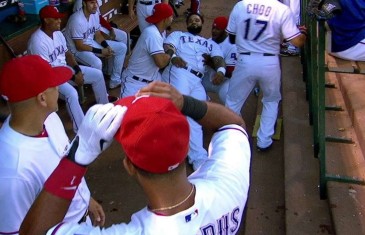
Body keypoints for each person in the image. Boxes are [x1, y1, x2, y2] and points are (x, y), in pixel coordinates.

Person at [19, 81, 250, 235]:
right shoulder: (228, 180)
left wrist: (75, 158)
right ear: (185, 146)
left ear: (129, 166)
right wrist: (185, 103)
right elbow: (233, 124)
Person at [0, 55, 105, 234]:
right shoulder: (12, 170)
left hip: (83, 222)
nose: (58, 88)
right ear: (42, 99)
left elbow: (67, 164)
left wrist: (85, 199)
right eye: (54, 84)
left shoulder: (50, 118)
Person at [225, 0, 307, 151]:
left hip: (245, 60)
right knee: (271, 100)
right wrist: (302, 33)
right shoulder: (282, 9)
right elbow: (297, 42)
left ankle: (230, 139)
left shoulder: (241, 5)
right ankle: (264, 141)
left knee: (233, 101)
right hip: (269, 62)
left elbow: (231, 37)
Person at [27, 6, 111, 132]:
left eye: (59, 18)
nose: (59, 21)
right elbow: (47, 70)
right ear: (46, 20)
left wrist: (77, 71)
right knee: (71, 93)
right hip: (49, 79)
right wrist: (73, 77)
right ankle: (81, 129)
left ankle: (104, 110)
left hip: (64, 71)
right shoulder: (37, 42)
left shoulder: (58, 34)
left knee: (97, 75)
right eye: (56, 19)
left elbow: (68, 54)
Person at [162, 13, 226, 170]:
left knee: (197, 114)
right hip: (179, 72)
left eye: (197, 20)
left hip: (197, 80)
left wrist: (221, 71)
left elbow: (218, 58)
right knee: (180, 110)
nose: (194, 22)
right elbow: (168, 46)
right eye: (190, 20)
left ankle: (198, 157)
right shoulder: (178, 35)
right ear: (187, 24)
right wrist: (173, 57)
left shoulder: (209, 43)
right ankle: (174, 153)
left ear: (202, 23)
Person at [64, 0, 127, 89]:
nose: (95, 6)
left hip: (90, 43)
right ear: (84, 4)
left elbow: (97, 35)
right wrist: (101, 51)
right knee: (97, 63)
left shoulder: (94, 14)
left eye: (95, 2)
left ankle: (115, 81)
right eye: (91, 3)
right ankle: (99, 90)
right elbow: (79, 46)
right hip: (76, 51)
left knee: (122, 48)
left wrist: (107, 47)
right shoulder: (76, 20)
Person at [120, 3, 174, 98]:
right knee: (127, 111)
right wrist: (170, 51)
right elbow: (160, 63)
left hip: (151, 81)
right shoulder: (152, 34)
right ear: (165, 19)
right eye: (171, 16)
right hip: (134, 83)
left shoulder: (159, 32)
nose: (172, 19)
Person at [202, 16, 237, 103]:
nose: (213, 31)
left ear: (225, 31)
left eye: (217, 29)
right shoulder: (208, 42)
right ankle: (205, 103)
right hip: (208, 79)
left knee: (228, 100)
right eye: (213, 28)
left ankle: (235, 116)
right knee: (192, 83)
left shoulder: (232, 46)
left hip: (225, 82)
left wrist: (211, 63)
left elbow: (231, 73)